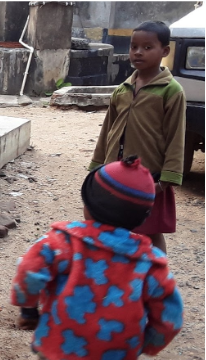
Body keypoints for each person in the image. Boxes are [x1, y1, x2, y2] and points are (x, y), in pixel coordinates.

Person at [10, 156, 183, 360]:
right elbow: (170, 317)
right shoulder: (149, 262)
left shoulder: (61, 240)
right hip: (104, 352)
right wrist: (147, 344)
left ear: (86, 203)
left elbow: (28, 270)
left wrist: (29, 312)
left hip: (57, 342)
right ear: (142, 217)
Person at [89, 20, 186, 254]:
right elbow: (107, 130)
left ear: (165, 51)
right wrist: (97, 167)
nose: (138, 52)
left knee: (151, 230)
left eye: (147, 47)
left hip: (150, 177)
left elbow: (176, 137)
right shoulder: (122, 89)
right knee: (113, 226)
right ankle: (117, 272)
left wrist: (166, 180)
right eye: (134, 47)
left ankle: (158, 274)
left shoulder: (171, 91)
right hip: (116, 173)